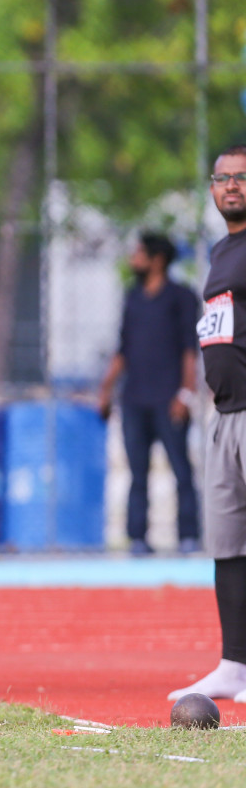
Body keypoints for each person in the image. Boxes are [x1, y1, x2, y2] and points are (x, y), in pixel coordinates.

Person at [171, 147, 246, 702]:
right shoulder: (222, 250)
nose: (232, 187)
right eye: (223, 178)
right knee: (228, 546)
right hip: (224, 415)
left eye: (243, 178)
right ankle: (235, 665)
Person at [97, 232, 202, 555]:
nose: (134, 258)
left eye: (139, 253)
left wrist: (185, 394)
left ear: (157, 259)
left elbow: (190, 349)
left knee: (180, 469)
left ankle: (188, 536)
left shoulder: (182, 297)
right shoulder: (132, 297)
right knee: (136, 472)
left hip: (168, 399)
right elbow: (123, 348)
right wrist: (106, 388)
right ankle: (138, 538)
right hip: (134, 400)